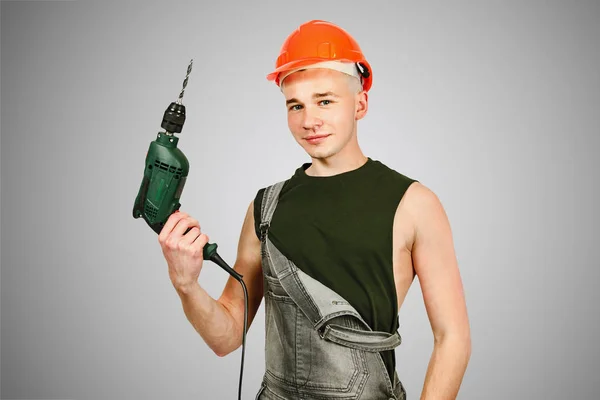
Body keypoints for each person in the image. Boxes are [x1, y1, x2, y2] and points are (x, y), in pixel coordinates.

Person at [158, 20, 471, 400]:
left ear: (360, 103)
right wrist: (186, 284)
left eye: (324, 100)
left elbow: (452, 338)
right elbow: (225, 337)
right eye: (296, 106)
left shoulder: (415, 204)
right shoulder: (265, 208)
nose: (309, 121)